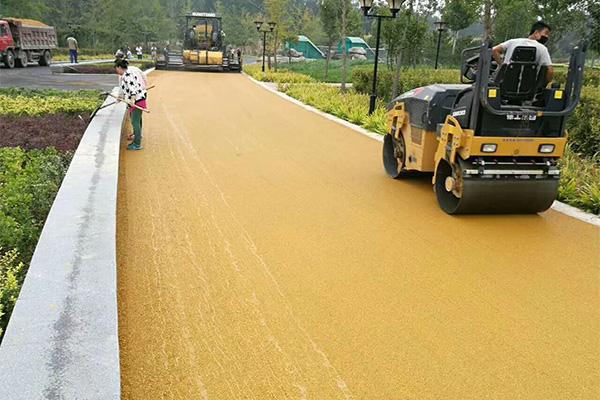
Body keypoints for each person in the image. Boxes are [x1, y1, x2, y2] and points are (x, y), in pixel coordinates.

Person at [114, 58, 148, 151]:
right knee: (137, 120)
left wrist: (132, 100)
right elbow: (125, 88)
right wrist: (120, 97)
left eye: (116, 69)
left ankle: (137, 144)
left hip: (137, 100)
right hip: (139, 98)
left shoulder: (127, 75)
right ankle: (137, 138)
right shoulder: (126, 74)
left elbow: (133, 89)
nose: (116, 71)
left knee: (135, 121)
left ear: (119, 67)